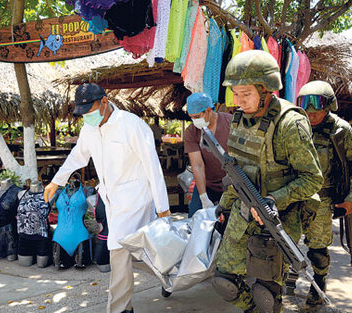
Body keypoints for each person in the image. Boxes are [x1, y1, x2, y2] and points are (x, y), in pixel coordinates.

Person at [211, 50, 323, 313]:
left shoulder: (289, 123)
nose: (238, 101)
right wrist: (225, 206)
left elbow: (312, 179)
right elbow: (235, 172)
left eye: (245, 94)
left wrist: (275, 199)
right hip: (243, 211)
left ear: (266, 90)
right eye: (234, 94)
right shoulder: (239, 119)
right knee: (223, 281)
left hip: (279, 217)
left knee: (267, 294)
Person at [43, 83, 170, 313]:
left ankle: (120, 308)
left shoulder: (132, 125)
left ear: (104, 101)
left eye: (89, 111)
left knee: (119, 252)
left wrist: (163, 208)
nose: (87, 117)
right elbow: (77, 157)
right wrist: (56, 181)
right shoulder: (88, 130)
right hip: (111, 200)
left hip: (136, 199)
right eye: (82, 113)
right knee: (142, 251)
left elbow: (153, 167)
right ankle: (169, 276)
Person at [296, 81, 352, 305]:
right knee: (284, 242)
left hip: (322, 199)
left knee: (317, 248)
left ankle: (318, 282)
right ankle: (286, 277)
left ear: (329, 106)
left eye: (317, 110)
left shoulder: (340, 130)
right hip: (294, 195)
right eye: (307, 109)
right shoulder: (295, 125)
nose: (311, 114)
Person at [184, 92, 231, 217]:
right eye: (192, 117)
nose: (195, 120)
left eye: (197, 116)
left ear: (209, 110)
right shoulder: (191, 132)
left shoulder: (229, 122)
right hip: (207, 185)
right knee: (195, 218)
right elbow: (197, 165)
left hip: (232, 185)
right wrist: (203, 196)